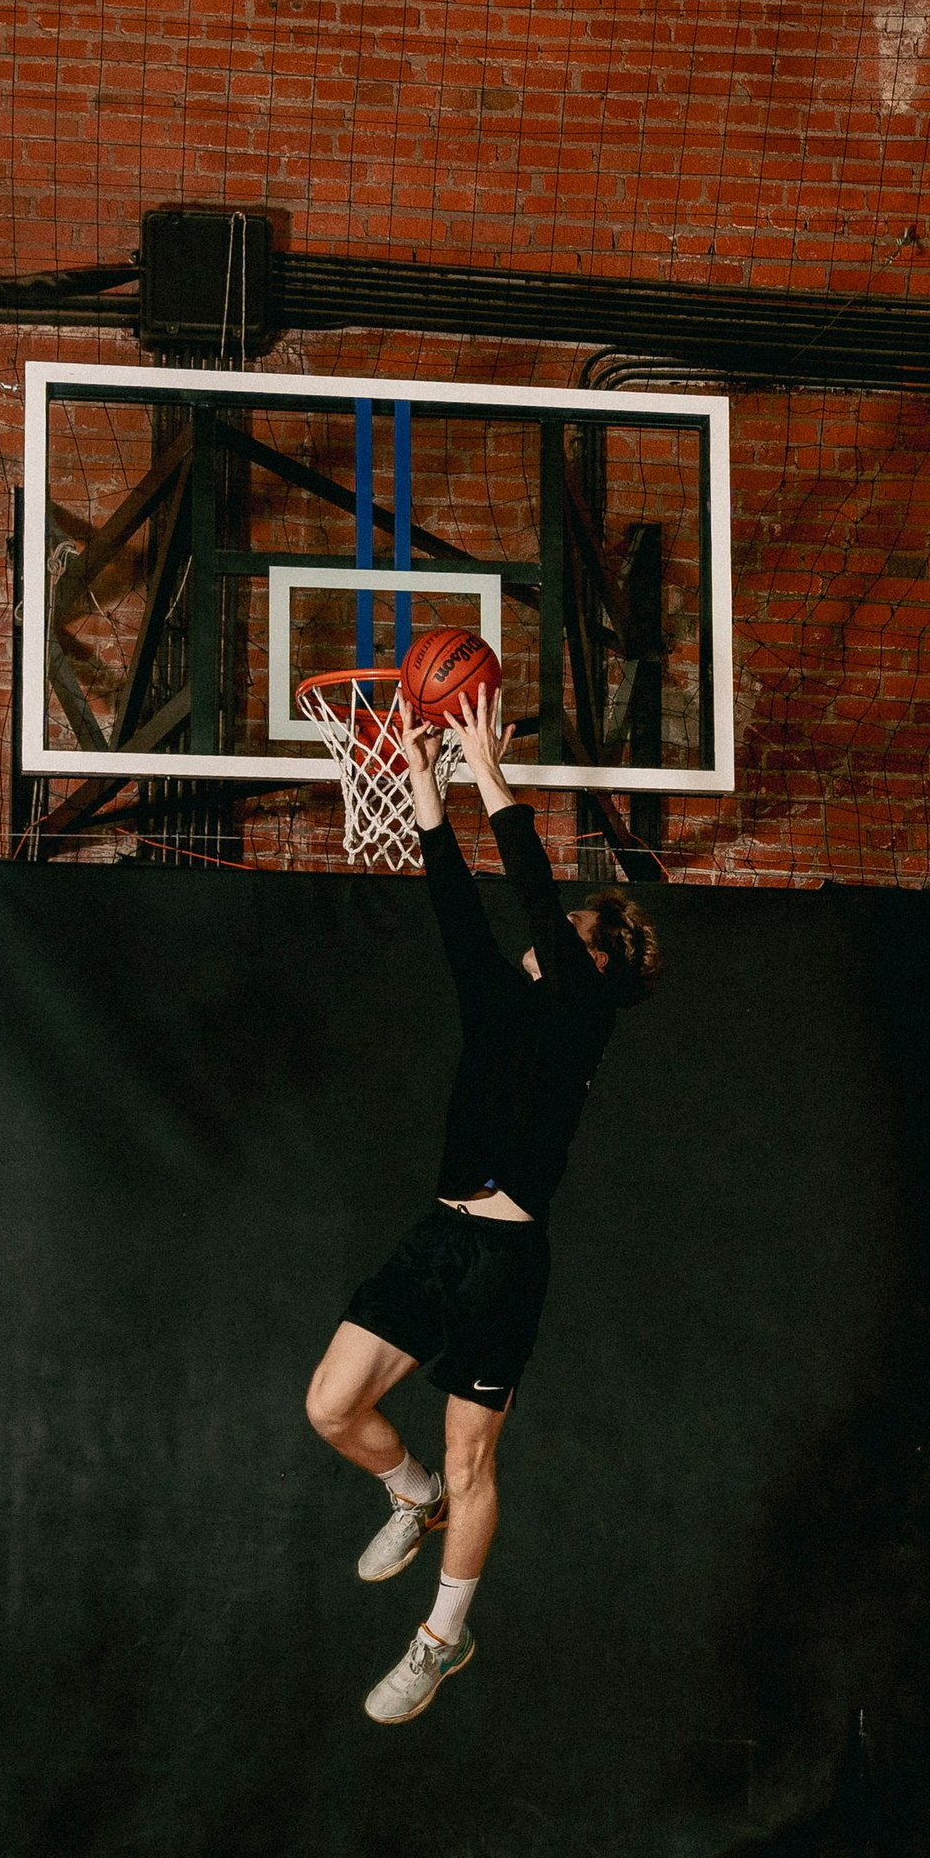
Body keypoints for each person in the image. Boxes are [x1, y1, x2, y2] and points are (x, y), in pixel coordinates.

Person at [303, 684, 659, 1724]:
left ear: (594, 958)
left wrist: (486, 767)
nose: (539, 936)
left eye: (565, 932)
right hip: (439, 1236)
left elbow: (539, 893)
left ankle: (439, 1638)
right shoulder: (502, 998)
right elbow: (459, 901)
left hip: (506, 1259)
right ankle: (407, 1495)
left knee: (476, 1457)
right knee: (331, 1406)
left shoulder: (586, 1014)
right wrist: (423, 779)